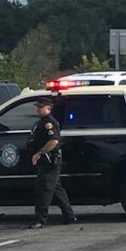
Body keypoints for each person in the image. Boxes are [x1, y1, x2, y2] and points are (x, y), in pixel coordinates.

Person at [27, 97, 77, 228]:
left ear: (48, 108)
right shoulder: (42, 122)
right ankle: (70, 216)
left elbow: (53, 141)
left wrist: (39, 153)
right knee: (56, 189)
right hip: (47, 161)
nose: (37, 108)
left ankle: (40, 220)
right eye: (37, 106)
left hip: (49, 160)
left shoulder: (49, 123)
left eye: (40, 107)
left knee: (44, 189)